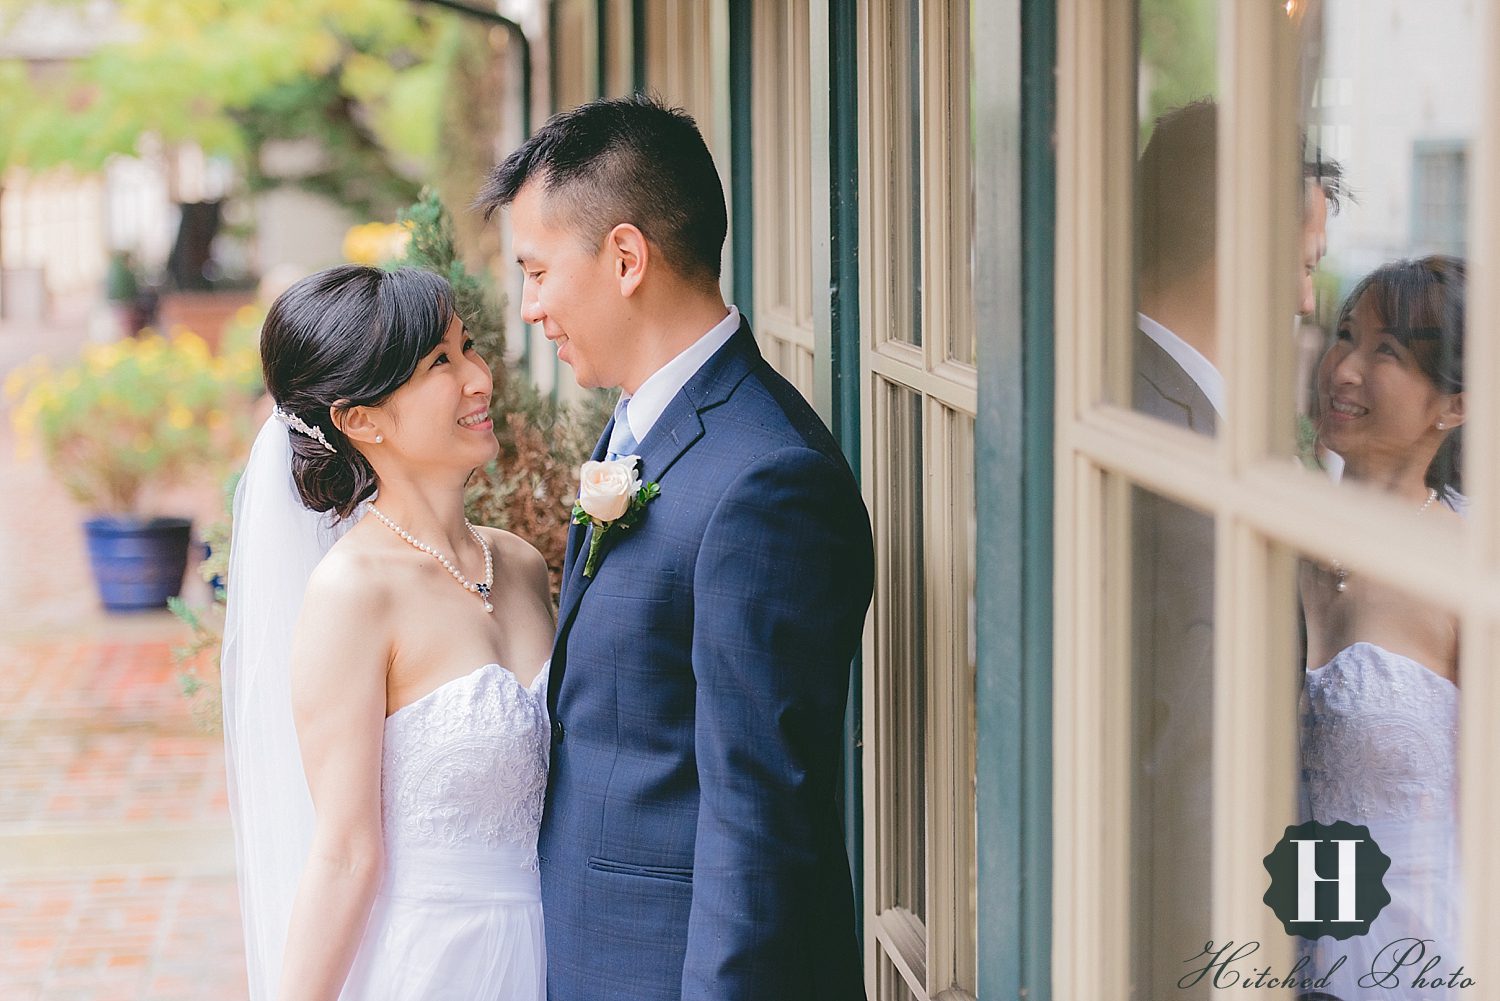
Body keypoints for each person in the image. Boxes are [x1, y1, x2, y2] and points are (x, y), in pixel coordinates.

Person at [478, 94, 874, 1001]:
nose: (530, 306)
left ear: (625, 257)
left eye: (537, 271)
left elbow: (758, 822)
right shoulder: (640, 425)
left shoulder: (766, 480)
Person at [222, 265, 555, 1001]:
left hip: (559, 950)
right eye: (441, 362)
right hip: (436, 965)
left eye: (467, 348)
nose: (479, 378)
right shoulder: (354, 593)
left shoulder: (524, 567)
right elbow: (344, 854)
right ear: (360, 420)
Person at [1130, 98, 1345, 998]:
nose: (1306, 302)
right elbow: (1194, 792)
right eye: (1302, 268)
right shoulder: (1177, 460)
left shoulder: (1142, 392)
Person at [1298, 256, 1464, 997]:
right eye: (1344, 335)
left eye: (1386, 351)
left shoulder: (1468, 572)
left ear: (1453, 405)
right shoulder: (1277, 522)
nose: (1344, 368)